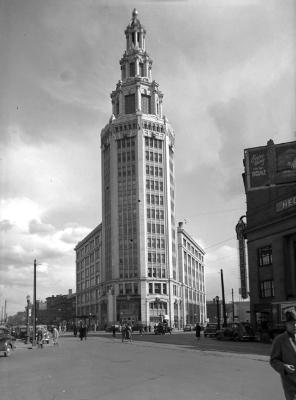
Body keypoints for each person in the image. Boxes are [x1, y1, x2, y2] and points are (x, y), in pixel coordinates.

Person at [270, 310, 296, 400]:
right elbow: (273, 360)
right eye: (292, 323)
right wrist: (284, 367)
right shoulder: (279, 340)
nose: (295, 326)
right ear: (286, 324)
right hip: (291, 384)